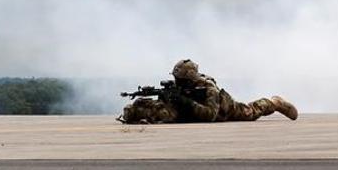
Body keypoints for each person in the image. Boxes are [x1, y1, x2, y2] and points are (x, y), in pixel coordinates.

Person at [119, 59, 299, 124]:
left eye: (180, 80)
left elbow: (209, 115)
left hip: (224, 109)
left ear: (189, 78)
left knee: (251, 111)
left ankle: (275, 102)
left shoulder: (208, 89)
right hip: (194, 111)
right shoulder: (181, 87)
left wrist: (183, 100)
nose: (176, 82)